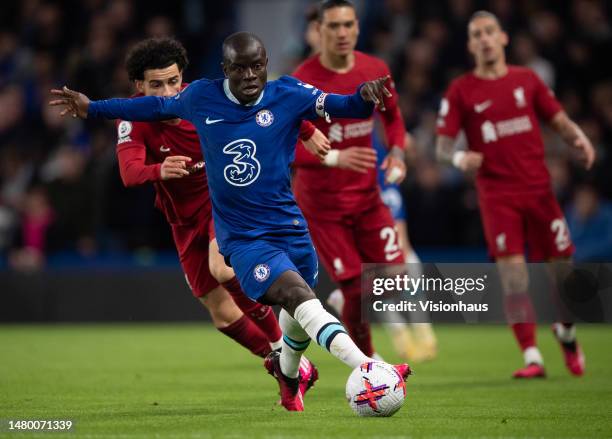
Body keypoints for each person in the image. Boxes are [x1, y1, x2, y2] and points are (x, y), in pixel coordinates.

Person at [50, 32, 411, 411]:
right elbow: (148, 111)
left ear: (266, 65)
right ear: (225, 70)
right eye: (240, 68)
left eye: (257, 66)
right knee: (284, 297)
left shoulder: (287, 92)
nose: (251, 75)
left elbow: (340, 106)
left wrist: (363, 97)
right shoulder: (199, 98)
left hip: (289, 227)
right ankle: (371, 369)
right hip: (238, 232)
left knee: (296, 310)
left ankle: (289, 376)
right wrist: (92, 108)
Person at [110, 37, 325, 386]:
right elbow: (129, 172)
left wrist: (308, 130)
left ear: (184, 78)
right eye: (156, 84)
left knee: (222, 269)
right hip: (182, 218)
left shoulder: (204, 98)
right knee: (221, 313)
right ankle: (281, 362)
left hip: (223, 204)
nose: (167, 91)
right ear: (138, 86)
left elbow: (267, 106)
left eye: (173, 81)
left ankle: (281, 346)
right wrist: (159, 170)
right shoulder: (134, 118)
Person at [435, 11, 595, 378]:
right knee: (513, 277)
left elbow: (558, 121)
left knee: (563, 275)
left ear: (503, 38)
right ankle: (532, 357)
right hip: (497, 195)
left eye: (491, 32)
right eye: (478, 34)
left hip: (539, 191)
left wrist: (579, 139)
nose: (485, 39)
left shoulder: (527, 80)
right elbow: (442, 147)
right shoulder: (461, 90)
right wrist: (460, 157)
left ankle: (566, 333)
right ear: (470, 44)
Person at [292, 0, 436, 361]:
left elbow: (393, 119)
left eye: (348, 25)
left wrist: (398, 154)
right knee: (358, 291)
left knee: (398, 279)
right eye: (333, 26)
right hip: (323, 206)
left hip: (368, 198)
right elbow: (285, 148)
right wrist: (336, 156)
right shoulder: (300, 81)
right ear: (320, 31)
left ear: (357, 28)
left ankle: (346, 295)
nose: (341, 33)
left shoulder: (375, 70)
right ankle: (370, 365)